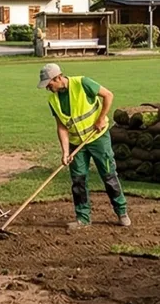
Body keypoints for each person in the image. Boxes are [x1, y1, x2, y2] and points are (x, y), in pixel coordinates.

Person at [37, 63, 130, 230]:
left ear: (58, 78)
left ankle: (121, 212)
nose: (48, 88)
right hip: (75, 144)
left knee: (108, 175)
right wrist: (65, 152)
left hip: (97, 138)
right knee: (78, 180)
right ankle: (83, 218)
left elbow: (108, 95)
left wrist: (101, 118)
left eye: (49, 84)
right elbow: (61, 127)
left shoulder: (82, 83)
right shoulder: (53, 100)